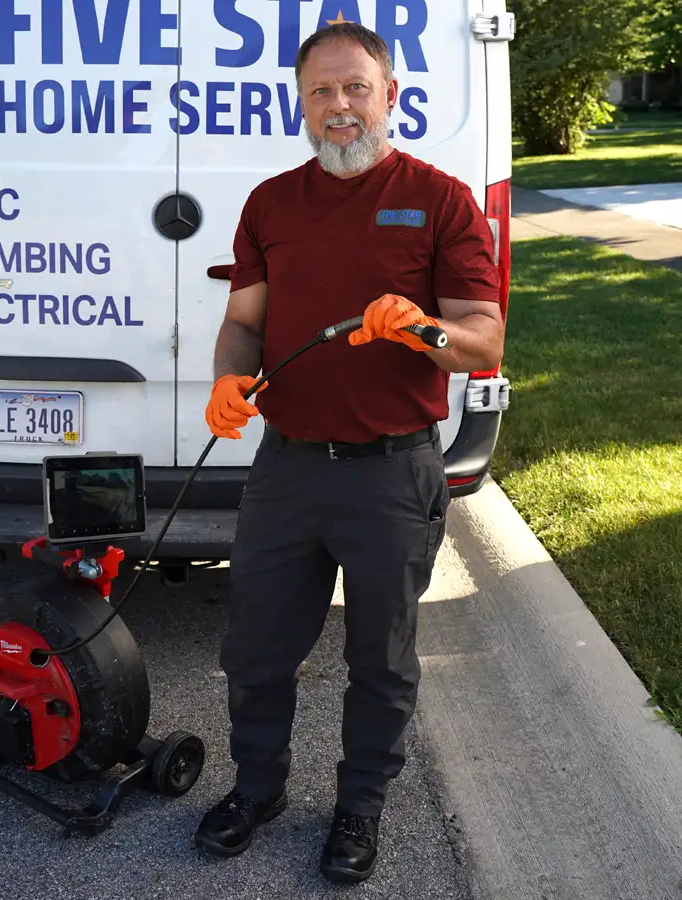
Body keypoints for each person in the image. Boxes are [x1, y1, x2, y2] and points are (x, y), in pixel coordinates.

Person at [193, 21, 505, 886]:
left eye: (355, 88)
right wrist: (230, 380)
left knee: (382, 657)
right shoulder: (271, 204)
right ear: (300, 104)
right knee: (255, 650)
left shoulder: (440, 200)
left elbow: (482, 342)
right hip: (287, 468)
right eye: (320, 92)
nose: (338, 107)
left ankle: (360, 807)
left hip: (391, 474)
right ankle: (256, 790)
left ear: (390, 95)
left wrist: (421, 327)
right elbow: (243, 323)